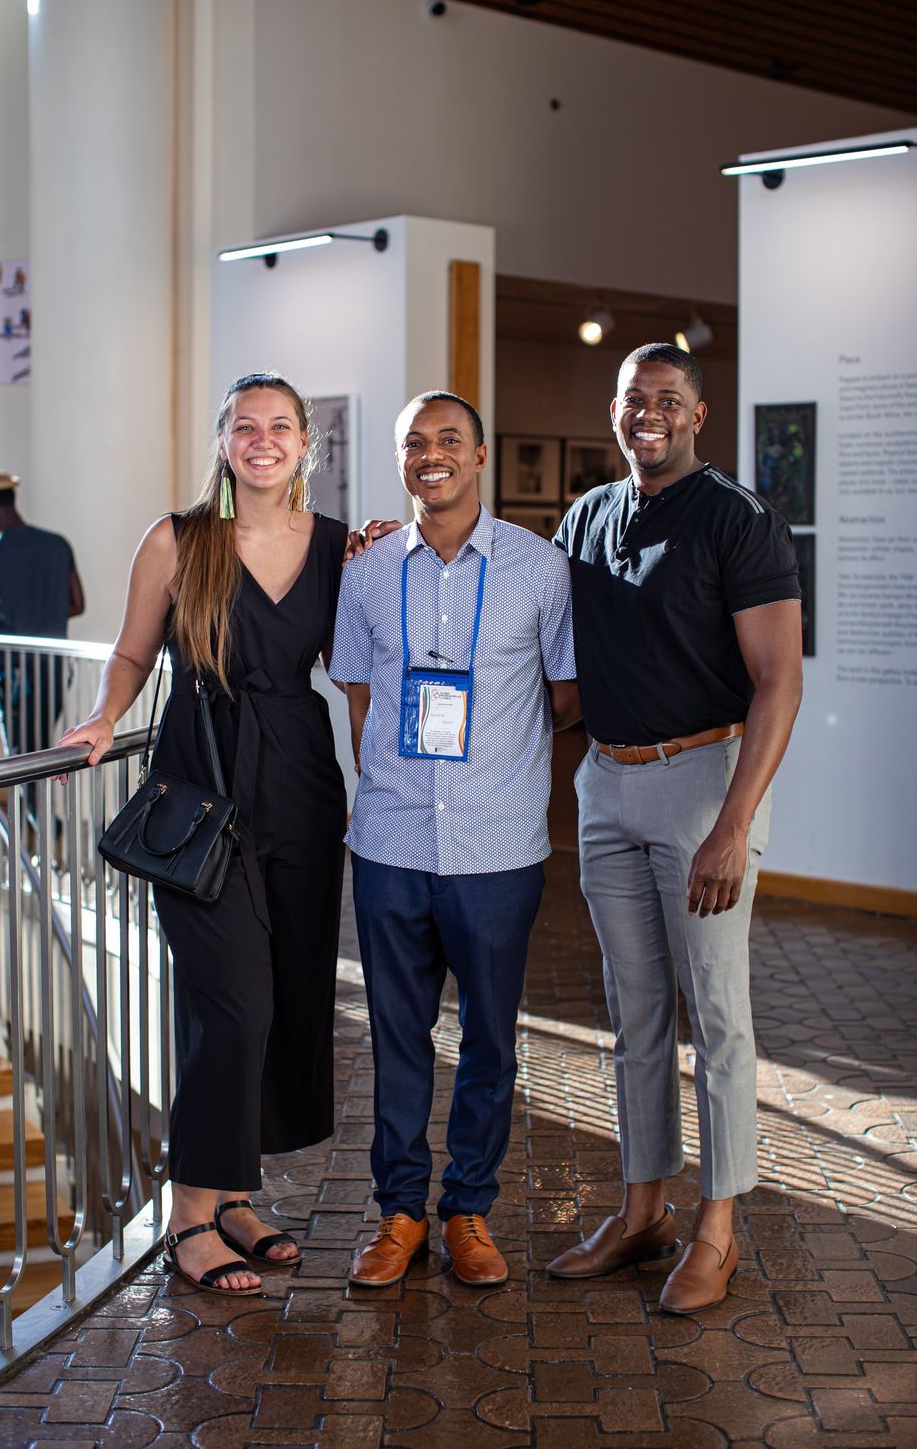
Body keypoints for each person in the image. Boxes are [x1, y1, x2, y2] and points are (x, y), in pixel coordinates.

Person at [59, 372, 348, 1297]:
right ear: (223, 441)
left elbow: (360, 665)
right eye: (245, 426)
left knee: (292, 996)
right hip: (200, 791)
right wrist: (106, 718)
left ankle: (236, 1196)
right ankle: (191, 1211)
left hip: (303, 789)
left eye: (280, 426)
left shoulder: (342, 548)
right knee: (232, 1005)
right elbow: (136, 650)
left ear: (306, 443)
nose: (263, 439)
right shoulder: (179, 540)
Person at [546, 343, 803, 1313]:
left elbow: (778, 680)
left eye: (666, 400)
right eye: (631, 399)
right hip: (605, 786)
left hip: (704, 785)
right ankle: (640, 1210)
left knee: (717, 1018)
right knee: (634, 1015)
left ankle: (716, 1226)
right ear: (611, 412)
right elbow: (563, 677)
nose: (646, 413)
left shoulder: (737, 519)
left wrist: (732, 825)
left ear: (696, 415)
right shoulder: (583, 517)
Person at [330, 391, 580, 1289]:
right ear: (400, 462)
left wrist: (498, 762)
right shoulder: (364, 575)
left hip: (499, 847)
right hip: (391, 840)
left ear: (480, 455)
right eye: (414, 444)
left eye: (449, 441)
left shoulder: (539, 570)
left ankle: (468, 1207)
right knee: (397, 1036)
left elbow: (564, 696)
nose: (431, 455)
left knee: (488, 1039)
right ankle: (398, 1214)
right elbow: (360, 695)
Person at [0, 469, 85, 766]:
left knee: (19, 756)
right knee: (42, 746)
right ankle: (40, 813)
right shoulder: (58, 544)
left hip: (15, 673)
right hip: (55, 670)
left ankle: (34, 813)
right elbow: (77, 604)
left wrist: (15, 632)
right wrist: (46, 616)